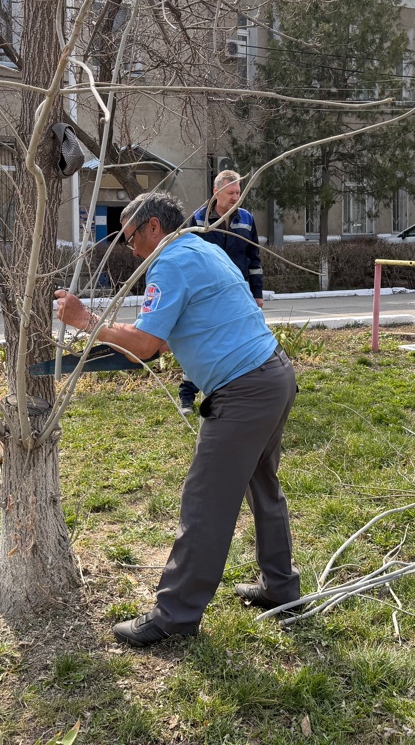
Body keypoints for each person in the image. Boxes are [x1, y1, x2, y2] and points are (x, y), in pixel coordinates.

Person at [54, 191, 298, 647]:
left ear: (152, 227)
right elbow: (162, 340)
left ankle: (175, 615)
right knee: (263, 487)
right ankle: (281, 588)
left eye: (130, 238)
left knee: (205, 502)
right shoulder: (199, 248)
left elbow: (146, 347)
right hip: (273, 375)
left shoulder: (169, 262)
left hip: (244, 390)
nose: (130, 249)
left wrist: (86, 320)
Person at [178, 168, 265, 414]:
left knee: (236, 345)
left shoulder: (246, 219)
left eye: (238, 192)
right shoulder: (198, 219)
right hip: (206, 296)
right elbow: (188, 258)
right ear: (216, 192)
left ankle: (226, 394)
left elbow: (254, 259)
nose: (236, 197)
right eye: (230, 192)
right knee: (202, 345)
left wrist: (257, 295)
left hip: (239, 294)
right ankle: (186, 397)